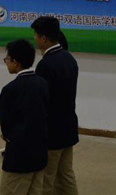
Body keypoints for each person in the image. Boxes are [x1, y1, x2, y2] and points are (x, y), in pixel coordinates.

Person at [32, 16, 79, 195]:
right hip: (68, 128)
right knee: (66, 176)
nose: (34, 38)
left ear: (44, 38)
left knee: (46, 179)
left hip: (52, 133)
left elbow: (42, 102)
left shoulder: (45, 65)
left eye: (36, 35)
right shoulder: (69, 58)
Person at [0, 39, 49, 195]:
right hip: (39, 154)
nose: (6, 62)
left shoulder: (10, 90)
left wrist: (8, 135)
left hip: (18, 157)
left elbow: (6, 125)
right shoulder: (42, 83)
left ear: (15, 62)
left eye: (7, 59)